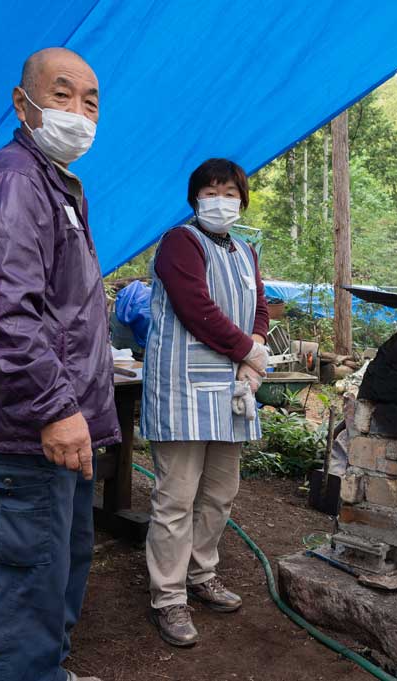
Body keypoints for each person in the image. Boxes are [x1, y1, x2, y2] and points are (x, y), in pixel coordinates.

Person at [0, 47, 116, 681]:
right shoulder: (15, 180)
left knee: (55, 583)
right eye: (62, 94)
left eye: (90, 102)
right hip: (26, 437)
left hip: (56, 437)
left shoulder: (55, 184)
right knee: (25, 601)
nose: (77, 112)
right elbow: (4, 312)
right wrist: (55, 408)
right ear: (23, 104)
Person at [142, 158, 270, 647]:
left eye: (230, 192)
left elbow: (258, 306)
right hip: (182, 389)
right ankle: (168, 598)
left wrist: (252, 350)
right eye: (211, 191)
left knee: (219, 493)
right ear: (195, 197)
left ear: (242, 199)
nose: (221, 199)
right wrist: (247, 351)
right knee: (175, 499)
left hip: (230, 389)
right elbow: (196, 308)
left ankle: (202, 575)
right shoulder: (180, 242)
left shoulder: (245, 250)